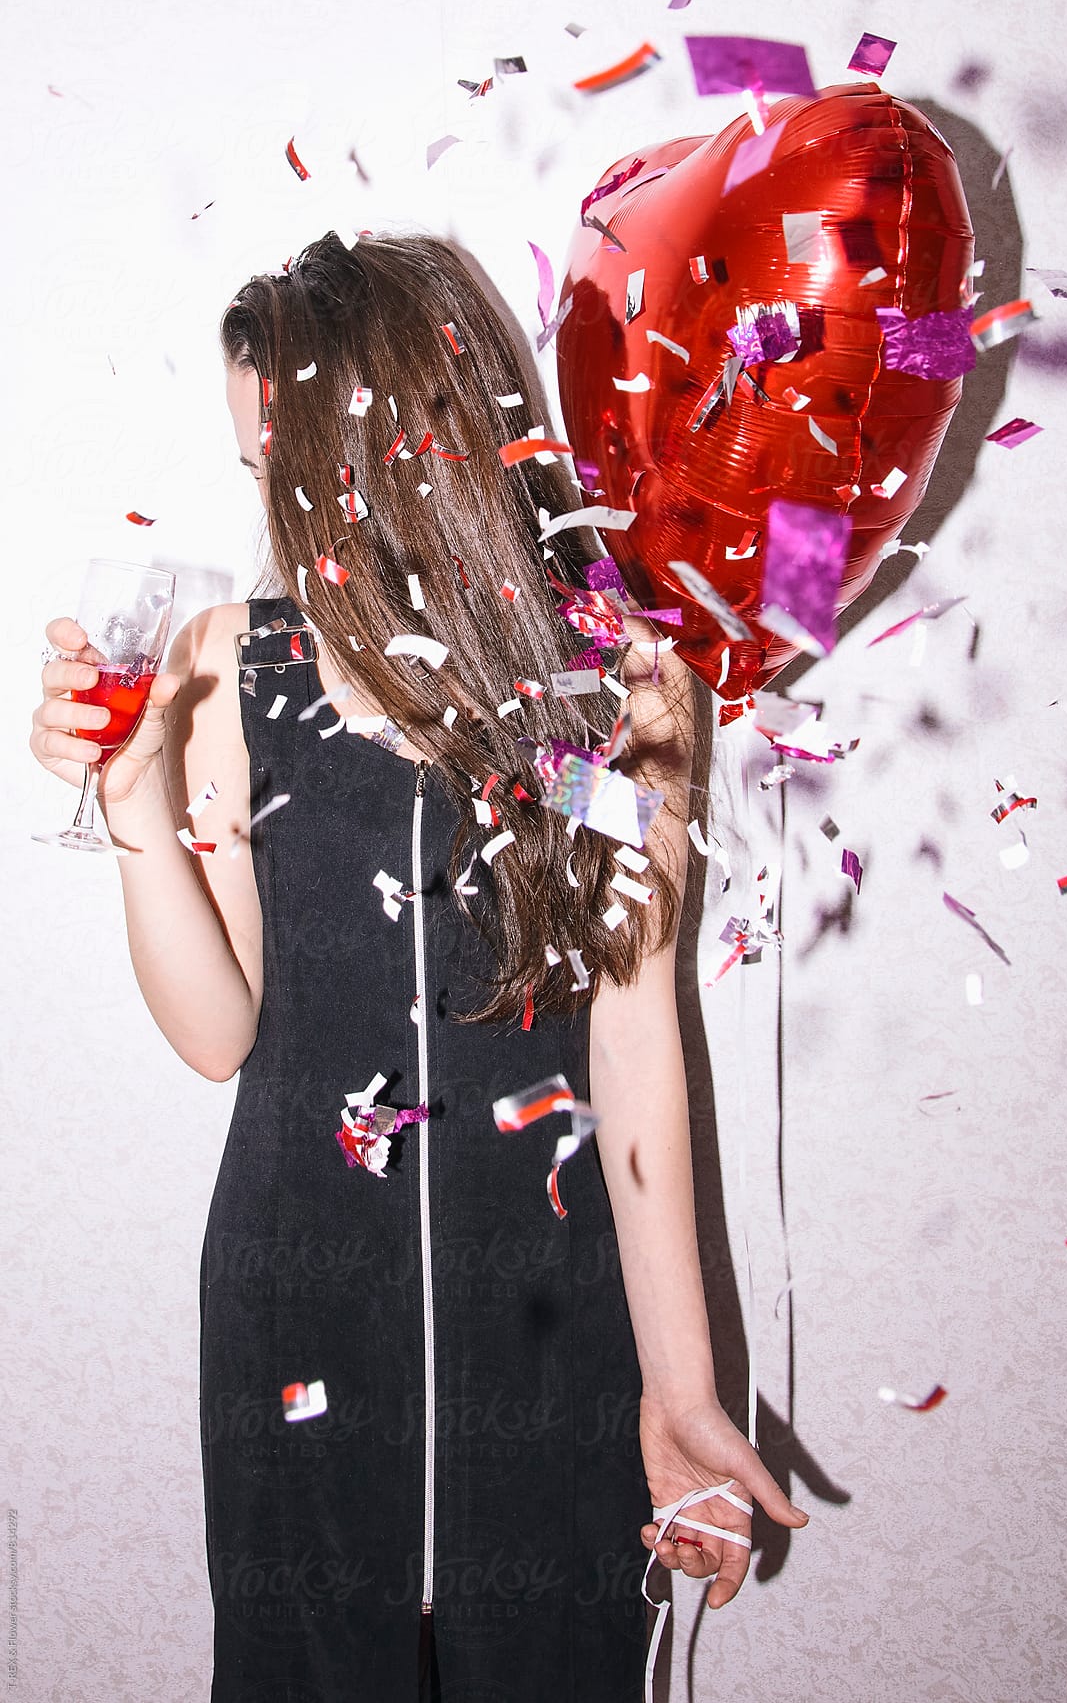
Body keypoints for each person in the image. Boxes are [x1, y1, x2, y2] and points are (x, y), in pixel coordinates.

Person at [30, 230, 808, 1702]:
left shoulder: (612, 690)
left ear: (394, 444)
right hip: (296, 1307)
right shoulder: (227, 662)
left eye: (284, 454)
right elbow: (219, 1033)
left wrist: (682, 1387)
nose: (264, 496)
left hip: (552, 1316)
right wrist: (132, 796)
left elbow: (634, 1047)